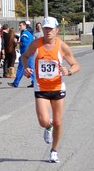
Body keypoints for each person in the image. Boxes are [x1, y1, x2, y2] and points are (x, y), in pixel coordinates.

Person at [22, 17, 80, 163]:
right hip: (41, 87)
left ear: (56, 30)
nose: (47, 31)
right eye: (45, 28)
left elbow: (76, 65)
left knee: (58, 123)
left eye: (50, 29)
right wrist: (26, 68)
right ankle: (48, 127)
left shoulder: (62, 46)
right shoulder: (36, 44)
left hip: (57, 88)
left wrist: (69, 71)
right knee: (43, 121)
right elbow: (25, 56)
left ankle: (54, 151)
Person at [8, 20, 34, 88]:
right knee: (23, 68)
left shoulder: (25, 34)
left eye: (20, 25)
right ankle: (16, 82)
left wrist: (17, 42)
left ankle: (35, 81)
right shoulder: (28, 33)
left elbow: (25, 43)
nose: (19, 27)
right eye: (19, 25)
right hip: (29, 53)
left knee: (26, 68)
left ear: (25, 26)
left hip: (26, 54)